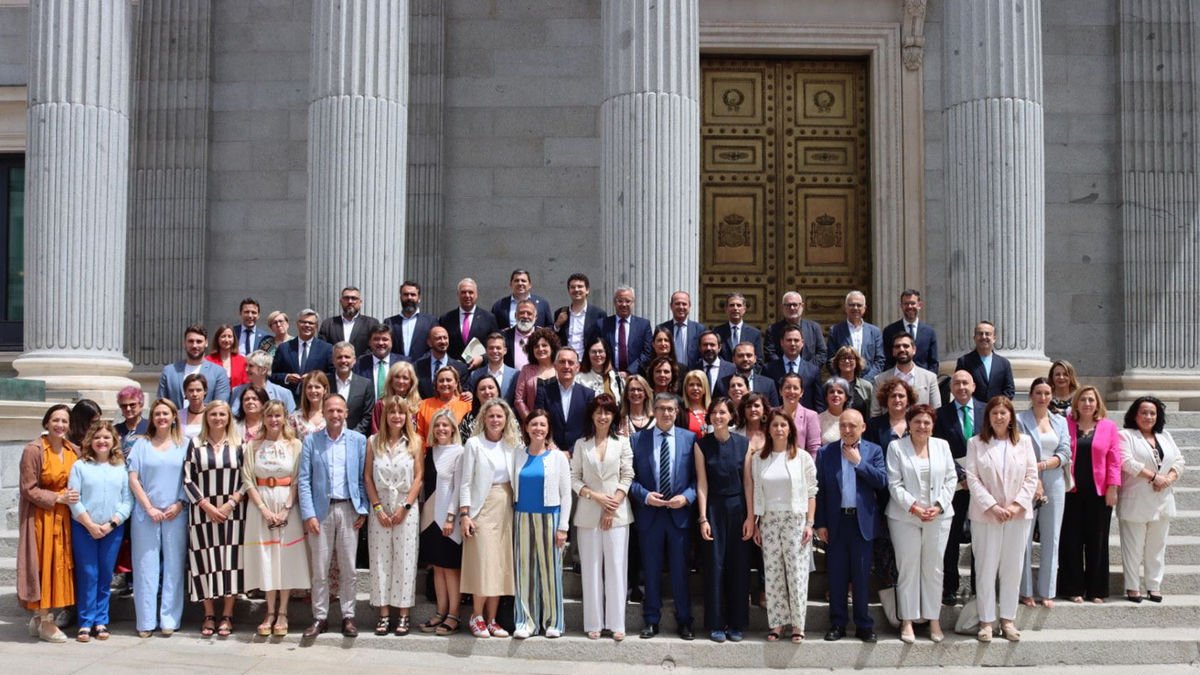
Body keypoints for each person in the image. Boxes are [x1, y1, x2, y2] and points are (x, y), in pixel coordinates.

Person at [964, 396, 1038, 642]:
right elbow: (972, 479)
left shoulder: (1024, 442)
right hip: (986, 516)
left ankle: (1007, 619)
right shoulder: (976, 443)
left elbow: (1031, 476)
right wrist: (993, 507)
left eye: (1003, 413)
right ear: (988, 417)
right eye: (994, 413)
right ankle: (986, 621)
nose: (998, 417)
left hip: (1018, 516)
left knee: (1012, 567)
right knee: (985, 567)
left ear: (1010, 417)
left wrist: (1017, 505)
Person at [299, 394, 369, 638]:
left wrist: (363, 508)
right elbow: (304, 480)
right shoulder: (311, 441)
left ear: (346, 412)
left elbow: (363, 478)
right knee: (320, 569)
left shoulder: (358, 441)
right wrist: (308, 514)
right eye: (330, 410)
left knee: (349, 567)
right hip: (321, 510)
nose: (335, 415)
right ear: (324, 413)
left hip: (349, 509)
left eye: (339, 410)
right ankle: (320, 617)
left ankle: (348, 616)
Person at [629, 393, 698, 640]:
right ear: (653, 411)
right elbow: (629, 479)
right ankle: (651, 620)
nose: (666, 413)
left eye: (670, 409)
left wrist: (687, 497)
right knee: (651, 569)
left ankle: (684, 620)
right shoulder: (638, 440)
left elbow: (697, 478)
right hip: (650, 514)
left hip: (679, 515)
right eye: (661, 409)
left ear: (677, 411)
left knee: (680, 570)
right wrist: (645, 496)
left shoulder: (690, 439)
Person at [885, 404, 956, 643]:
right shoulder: (896, 447)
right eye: (917, 422)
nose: (922, 426)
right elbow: (894, 483)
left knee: (934, 568)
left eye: (926, 422)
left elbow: (951, 478)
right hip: (905, 516)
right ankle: (907, 620)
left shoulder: (942, 446)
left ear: (932, 425)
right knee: (908, 567)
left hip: (938, 515)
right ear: (909, 424)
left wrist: (939, 505)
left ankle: (933, 619)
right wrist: (914, 507)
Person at [814, 409, 886, 643]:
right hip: (836, 523)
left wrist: (860, 463)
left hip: (861, 522)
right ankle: (838, 623)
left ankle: (864, 624)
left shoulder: (873, 451)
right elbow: (821, 490)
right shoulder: (826, 453)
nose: (846, 430)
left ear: (862, 427)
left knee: (862, 576)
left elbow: (882, 482)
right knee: (836, 576)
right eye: (843, 425)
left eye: (852, 426)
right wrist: (820, 523)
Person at [242, 400, 310, 638]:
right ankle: (269, 612)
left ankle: (283, 612)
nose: (273, 420)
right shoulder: (253, 446)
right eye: (269, 416)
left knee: (285, 557)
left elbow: (297, 478)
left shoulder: (295, 445)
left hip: (285, 504)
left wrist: (286, 508)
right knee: (267, 557)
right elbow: (248, 479)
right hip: (261, 505)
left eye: (278, 416)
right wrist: (264, 509)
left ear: (284, 418)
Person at [749, 408, 818, 643]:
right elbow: (757, 491)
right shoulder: (759, 458)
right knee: (773, 573)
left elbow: (812, 492)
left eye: (783, 425)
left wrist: (810, 523)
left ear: (790, 429)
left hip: (795, 520)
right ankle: (777, 624)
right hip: (769, 520)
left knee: (797, 574)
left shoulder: (802, 457)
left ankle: (798, 625)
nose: (779, 429)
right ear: (768, 429)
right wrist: (757, 522)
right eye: (775, 425)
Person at [571, 394, 634, 641]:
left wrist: (611, 506)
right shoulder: (581, 444)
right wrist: (595, 496)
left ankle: (617, 623)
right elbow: (574, 477)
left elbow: (627, 475)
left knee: (617, 567)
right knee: (591, 568)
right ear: (591, 415)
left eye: (607, 412)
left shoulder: (623, 443)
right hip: (588, 512)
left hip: (617, 513)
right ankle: (593, 622)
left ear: (614, 415)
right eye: (598, 411)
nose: (603, 416)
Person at [183, 400, 246, 638]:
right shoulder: (195, 444)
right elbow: (187, 479)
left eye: (222, 414)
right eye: (213, 414)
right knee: (205, 561)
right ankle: (209, 613)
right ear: (206, 417)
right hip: (203, 513)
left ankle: (228, 615)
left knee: (230, 561)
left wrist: (231, 503)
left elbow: (246, 477)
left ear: (229, 417)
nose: (218, 418)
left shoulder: (239, 444)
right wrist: (206, 505)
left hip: (232, 512)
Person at [458, 399, 521, 638]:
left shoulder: (511, 444)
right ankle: (477, 615)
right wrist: (465, 514)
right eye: (491, 416)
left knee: (500, 565)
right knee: (483, 563)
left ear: (506, 420)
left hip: (505, 508)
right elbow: (465, 482)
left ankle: (493, 619)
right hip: (481, 508)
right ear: (484, 418)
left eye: (500, 416)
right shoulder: (474, 444)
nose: (495, 420)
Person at [127, 398, 189, 638]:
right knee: (145, 568)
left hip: (175, 512)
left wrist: (180, 502)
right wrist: (148, 507)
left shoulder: (184, 444)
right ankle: (145, 621)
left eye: (166, 413)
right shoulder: (141, 445)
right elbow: (133, 479)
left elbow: (189, 477)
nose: (162, 418)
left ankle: (169, 619)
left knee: (174, 567)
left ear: (174, 416)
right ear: (152, 418)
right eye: (157, 414)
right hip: (146, 514)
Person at [18, 404, 78, 643]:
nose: (60, 425)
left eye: (64, 421)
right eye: (55, 420)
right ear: (46, 423)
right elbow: (28, 488)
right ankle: (46, 620)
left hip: (64, 518)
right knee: (43, 566)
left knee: (59, 566)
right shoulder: (34, 450)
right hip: (40, 518)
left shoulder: (72, 449)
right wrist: (57, 498)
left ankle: (38, 618)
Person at [67, 421, 132, 642]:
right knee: (88, 574)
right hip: (84, 528)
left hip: (112, 529)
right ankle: (85, 622)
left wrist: (111, 524)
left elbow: (127, 501)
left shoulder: (120, 467)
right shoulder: (80, 466)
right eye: (97, 437)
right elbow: (74, 501)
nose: (102, 441)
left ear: (114, 440)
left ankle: (101, 621)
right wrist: (90, 525)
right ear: (90, 441)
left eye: (106, 437)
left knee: (105, 575)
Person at [365, 396, 425, 636]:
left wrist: (405, 507)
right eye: (392, 412)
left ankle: (403, 614)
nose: (396, 417)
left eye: (401, 413)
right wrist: (378, 507)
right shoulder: (373, 442)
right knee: (380, 559)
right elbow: (368, 477)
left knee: (405, 559)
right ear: (385, 415)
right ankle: (383, 614)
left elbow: (419, 477)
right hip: (380, 504)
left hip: (405, 504)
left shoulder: (415, 442)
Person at [511, 409, 573, 639]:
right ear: (526, 428)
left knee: (550, 571)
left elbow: (566, 495)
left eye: (542, 425)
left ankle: (553, 622)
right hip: (522, 516)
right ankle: (526, 622)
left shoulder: (557, 458)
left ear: (548, 430)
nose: (538, 428)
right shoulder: (517, 454)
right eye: (534, 424)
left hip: (550, 517)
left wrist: (563, 527)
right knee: (524, 570)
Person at [1117, 396, 1185, 603]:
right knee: (1133, 547)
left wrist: (1167, 479)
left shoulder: (1166, 436)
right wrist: (1155, 477)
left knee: (1157, 546)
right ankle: (1132, 586)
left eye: (1152, 413)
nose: (1148, 416)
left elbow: (1179, 461)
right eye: (1144, 412)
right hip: (1136, 499)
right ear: (1134, 415)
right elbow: (1126, 462)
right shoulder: (1125, 436)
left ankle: (1154, 585)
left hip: (1162, 499)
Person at [695, 397, 751, 642]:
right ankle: (716, 623)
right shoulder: (701, 445)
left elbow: (748, 482)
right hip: (714, 509)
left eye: (723, 412)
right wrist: (703, 518)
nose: (718, 416)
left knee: (738, 566)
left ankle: (737, 623)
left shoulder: (744, 444)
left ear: (731, 416)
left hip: (738, 507)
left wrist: (751, 517)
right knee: (714, 566)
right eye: (714, 412)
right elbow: (702, 483)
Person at [1060, 385, 1122, 603]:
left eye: (1091, 400)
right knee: (1071, 540)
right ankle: (1073, 588)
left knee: (1097, 541)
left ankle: (1096, 590)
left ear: (1098, 404)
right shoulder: (1065, 425)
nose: (1087, 403)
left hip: (1099, 492)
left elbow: (1114, 459)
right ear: (1076, 403)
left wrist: (1113, 487)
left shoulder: (1108, 427)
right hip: (1070, 492)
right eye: (1083, 399)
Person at [1016, 378, 1071, 607]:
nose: (1043, 397)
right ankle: (1025, 590)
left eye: (1047, 393)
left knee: (1052, 536)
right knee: (1025, 537)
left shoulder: (1060, 421)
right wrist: (1035, 472)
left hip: (1055, 478)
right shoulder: (1020, 420)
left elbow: (1066, 450)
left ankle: (1047, 591)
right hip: (1027, 479)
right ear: (1031, 395)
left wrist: (1048, 465)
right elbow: (1018, 449)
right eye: (1038, 392)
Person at [934, 369, 985, 605]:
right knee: (951, 537)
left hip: (983, 486)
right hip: (954, 486)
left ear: (974, 386)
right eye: (957, 384)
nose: (961, 387)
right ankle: (950, 588)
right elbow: (940, 449)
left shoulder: (987, 411)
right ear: (951, 388)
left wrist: (976, 477)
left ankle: (979, 588)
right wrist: (960, 475)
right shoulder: (940, 415)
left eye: (966, 383)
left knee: (981, 539)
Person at [418, 409, 465, 636]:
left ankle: (454, 616)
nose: (441, 429)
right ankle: (440, 612)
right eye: (437, 426)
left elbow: (458, 487)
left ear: (453, 428)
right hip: (429, 519)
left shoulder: (459, 452)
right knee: (437, 568)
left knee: (451, 569)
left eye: (445, 425)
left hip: (449, 519)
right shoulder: (429, 452)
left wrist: (450, 517)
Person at [535, 346, 596, 453]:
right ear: (555, 366)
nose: (566, 366)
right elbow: (539, 422)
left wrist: (572, 452)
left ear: (577, 367)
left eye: (571, 362)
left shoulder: (588, 395)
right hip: (550, 452)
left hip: (580, 454)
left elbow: (589, 426)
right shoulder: (544, 392)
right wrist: (551, 445)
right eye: (562, 362)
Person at [158, 324, 231, 409]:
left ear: (206, 343)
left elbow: (221, 406)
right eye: (191, 341)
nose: (194, 346)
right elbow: (162, 404)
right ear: (184, 343)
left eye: (199, 341)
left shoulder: (219, 373)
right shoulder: (169, 371)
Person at [271, 309, 334, 402]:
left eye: (310, 323)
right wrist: (286, 377)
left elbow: (333, 375)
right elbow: (272, 375)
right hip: (289, 399)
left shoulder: (326, 348)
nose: (307, 325)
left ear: (316, 326)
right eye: (303, 322)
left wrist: (314, 377)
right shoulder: (284, 348)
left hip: (315, 400)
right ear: (297, 324)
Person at [871, 332, 940, 416]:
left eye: (906, 346)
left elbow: (935, 411)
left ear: (914, 350)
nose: (902, 349)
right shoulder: (880, 380)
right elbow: (875, 414)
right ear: (893, 351)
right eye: (897, 346)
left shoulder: (930, 378)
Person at [439, 278, 500, 368]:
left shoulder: (489, 318)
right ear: (458, 295)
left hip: (480, 372)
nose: (467, 295)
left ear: (476, 295)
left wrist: (483, 358)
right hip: (453, 371)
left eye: (471, 292)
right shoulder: (446, 319)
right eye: (463, 292)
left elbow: (497, 344)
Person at [827, 291, 885, 380]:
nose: (855, 308)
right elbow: (831, 360)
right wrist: (843, 379)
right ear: (846, 308)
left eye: (859, 305)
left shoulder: (875, 332)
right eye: (852, 305)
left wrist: (865, 381)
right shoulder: (835, 331)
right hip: (843, 384)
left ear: (864, 308)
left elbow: (879, 361)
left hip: (868, 385)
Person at [761, 326, 820, 411]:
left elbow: (818, 403)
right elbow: (765, 399)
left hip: (804, 420)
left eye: (796, 340)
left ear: (802, 343)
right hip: (777, 420)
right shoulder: (769, 369)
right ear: (782, 342)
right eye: (789, 340)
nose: (793, 344)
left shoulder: (813, 370)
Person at [881, 289, 940, 374]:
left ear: (919, 305)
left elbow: (934, 362)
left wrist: (927, 380)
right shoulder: (889, 331)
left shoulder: (929, 332)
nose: (909, 307)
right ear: (901, 306)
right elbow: (887, 360)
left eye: (912, 303)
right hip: (897, 381)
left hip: (922, 382)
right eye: (906, 304)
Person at [597, 285, 653, 374]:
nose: (624, 304)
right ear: (614, 303)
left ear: (633, 303)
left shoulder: (643, 325)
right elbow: (598, 349)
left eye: (628, 301)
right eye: (620, 301)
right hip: (608, 374)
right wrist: (612, 371)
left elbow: (647, 353)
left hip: (635, 376)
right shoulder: (602, 324)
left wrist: (629, 372)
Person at [955, 321, 1015, 401]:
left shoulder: (1004, 363)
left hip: (996, 411)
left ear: (994, 338)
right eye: (980, 333)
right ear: (974, 338)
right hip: (973, 411)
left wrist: (997, 406)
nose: (983, 337)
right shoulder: (964, 361)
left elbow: (1009, 390)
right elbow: (959, 386)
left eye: (987, 334)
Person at [764, 291, 826, 367]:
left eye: (795, 305)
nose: (792, 308)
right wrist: (785, 367)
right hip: (781, 375)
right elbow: (770, 353)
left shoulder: (814, 328)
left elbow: (822, 353)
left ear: (802, 306)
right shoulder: (773, 330)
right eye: (788, 305)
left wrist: (806, 369)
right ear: (782, 307)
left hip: (808, 376)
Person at [317, 286, 381, 358]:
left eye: (354, 298)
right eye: (346, 298)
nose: (350, 301)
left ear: (360, 302)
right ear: (341, 301)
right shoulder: (328, 324)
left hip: (362, 367)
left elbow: (375, 347)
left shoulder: (371, 323)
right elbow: (323, 349)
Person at [330, 341, 376, 435]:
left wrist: (352, 435)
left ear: (354, 360)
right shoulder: (325, 382)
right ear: (333, 360)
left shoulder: (365, 384)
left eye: (347, 357)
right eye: (339, 357)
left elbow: (368, 415)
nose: (343, 360)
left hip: (356, 438)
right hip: (328, 438)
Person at [382, 280, 436, 361]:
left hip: (422, 369)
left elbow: (434, 346)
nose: (409, 298)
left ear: (419, 298)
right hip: (397, 369)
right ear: (401, 297)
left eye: (413, 295)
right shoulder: (390, 322)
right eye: (406, 294)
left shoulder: (430, 321)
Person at [514, 326, 560, 421]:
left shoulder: (560, 368)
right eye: (536, 346)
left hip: (558, 423)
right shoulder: (526, 370)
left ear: (552, 348)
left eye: (544, 345)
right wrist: (530, 420)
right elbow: (519, 400)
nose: (540, 348)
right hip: (534, 426)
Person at [232, 351, 297, 416]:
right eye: (246, 365)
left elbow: (291, 421)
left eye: (251, 366)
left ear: (264, 370)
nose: (246, 369)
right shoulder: (237, 391)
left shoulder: (283, 393)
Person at [554, 272, 606, 355]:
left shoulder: (598, 314)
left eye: (580, 286)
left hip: (588, 363)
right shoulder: (560, 313)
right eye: (573, 287)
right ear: (569, 290)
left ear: (587, 290)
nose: (576, 289)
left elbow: (603, 342)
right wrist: (557, 325)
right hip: (567, 362)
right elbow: (553, 339)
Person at [717, 342, 781, 407]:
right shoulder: (722, 383)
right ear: (733, 359)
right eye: (740, 356)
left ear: (755, 358)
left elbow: (774, 411)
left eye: (749, 355)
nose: (745, 359)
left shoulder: (768, 384)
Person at [353, 324, 408, 398]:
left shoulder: (404, 363)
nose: (380, 343)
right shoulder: (359, 364)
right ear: (369, 342)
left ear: (392, 342)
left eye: (385, 339)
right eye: (376, 339)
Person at [417, 367, 473, 440]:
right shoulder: (424, 405)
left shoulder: (467, 405)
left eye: (448, 380)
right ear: (436, 385)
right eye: (441, 380)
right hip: (430, 449)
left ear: (456, 384)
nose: (445, 383)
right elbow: (419, 434)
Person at [468, 332, 519, 405]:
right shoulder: (475, 375)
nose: (495, 351)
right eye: (491, 348)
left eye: (498, 348)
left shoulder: (515, 375)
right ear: (486, 351)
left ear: (505, 351)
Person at [371, 361, 422, 434]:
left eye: (405, 378)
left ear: (411, 382)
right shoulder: (381, 405)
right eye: (397, 377)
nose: (401, 381)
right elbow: (375, 433)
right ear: (391, 380)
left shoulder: (419, 405)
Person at [867, 378, 916, 451]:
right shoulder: (873, 425)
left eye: (901, 396)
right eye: (893, 396)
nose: (897, 399)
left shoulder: (916, 422)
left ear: (908, 400)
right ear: (886, 399)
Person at [778, 373, 821, 456]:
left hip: (801, 465)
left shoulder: (811, 416)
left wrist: (809, 468)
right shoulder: (772, 413)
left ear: (801, 392)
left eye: (795, 388)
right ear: (780, 391)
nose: (791, 391)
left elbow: (814, 448)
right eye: (787, 387)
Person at [713, 292, 763, 362]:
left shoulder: (754, 333)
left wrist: (748, 372)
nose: (735, 308)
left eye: (739, 305)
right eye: (732, 305)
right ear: (726, 309)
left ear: (744, 309)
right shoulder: (717, 332)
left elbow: (758, 360)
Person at [577, 335, 625, 407]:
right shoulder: (579, 380)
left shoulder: (617, 378)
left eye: (600, 351)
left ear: (606, 353)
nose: (597, 355)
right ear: (588, 354)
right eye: (593, 352)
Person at [828, 346, 875, 418]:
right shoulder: (830, 386)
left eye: (850, 358)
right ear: (837, 362)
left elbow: (873, 412)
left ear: (857, 362)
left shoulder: (866, 387)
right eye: (843, 358)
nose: (847, 361)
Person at [458, 375, 501, 441]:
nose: (487, 392)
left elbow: (518, 445)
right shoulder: (468, 418)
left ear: (497, 391)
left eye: (490, 387)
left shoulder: (507, 415)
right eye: (482, 389)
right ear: (476, 394)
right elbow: (462, 444)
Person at [693, 330, 736, 397]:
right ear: (699, 348)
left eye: (712, 345)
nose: (708, 348)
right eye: (705, 345)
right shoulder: (693, 368)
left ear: (719, 347)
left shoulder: (731, 369)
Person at [289, 371, 330, 440]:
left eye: (317, 387)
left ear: (325, 389)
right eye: (309, 387)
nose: (313, 390)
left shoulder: (333, 414)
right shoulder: (295, 418)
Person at [206, 324, 248, 389]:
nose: (226, 340)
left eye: (229, 336)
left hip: (237, 398)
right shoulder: (208, 360)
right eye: (223, 336)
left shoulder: (242, 361)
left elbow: (246, 383)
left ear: (234, 339)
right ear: (217, 339)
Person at [818, 378, 852, 444]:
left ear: (846, 397)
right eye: (831, 392)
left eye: (840, 392)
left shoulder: (853, 418)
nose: (835, 394)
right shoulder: (818, 419)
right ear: (826, 397)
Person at [681, 370, 711, 438]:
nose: (695, 388)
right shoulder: (680, 411)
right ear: (686, 388)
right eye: (691, 385)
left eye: (699, 385)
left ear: (705, 388)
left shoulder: (713, 409)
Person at [179, 373, 208, 441]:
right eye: (191, 390)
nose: (195, 394)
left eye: (198, 390)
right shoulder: (178, 416)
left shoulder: (212, 414)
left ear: (205, 391)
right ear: (185, 392)